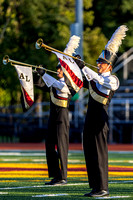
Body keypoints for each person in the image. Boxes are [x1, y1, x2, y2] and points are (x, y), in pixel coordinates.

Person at [74, 25, 128, 197]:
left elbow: (99, 80)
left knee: (99, 153)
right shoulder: (94, 77)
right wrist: (75, 63)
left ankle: (103, 187)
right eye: (98, 62)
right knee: (89, 152)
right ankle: (95, 186)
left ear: (109, 65)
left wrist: (84, 67)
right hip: (90, 119)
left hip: (100, 120)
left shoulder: (113, 79)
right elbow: (85, 77)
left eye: (101, 63)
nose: (98, 64)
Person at [34, 35, 80, 185]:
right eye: (57, 68)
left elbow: (56, 84)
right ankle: (55, 174)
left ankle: (64, 177)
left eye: (60, 68)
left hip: (62, 116)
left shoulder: (65, 85)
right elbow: (41, 85)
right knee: (49, 144)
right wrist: (36, 75)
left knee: (61, 146)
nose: (57, 70)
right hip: (53, 116)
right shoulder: (53, 81)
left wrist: (44, 74)